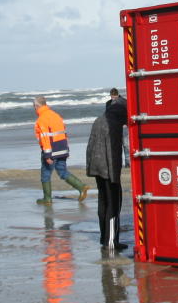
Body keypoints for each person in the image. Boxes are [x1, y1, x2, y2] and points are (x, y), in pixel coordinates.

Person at [86, 102, 128, 251]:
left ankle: (104, 239)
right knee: (113, 204)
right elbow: (113, 151)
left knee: (103, 202)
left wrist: (90, 167)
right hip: (108, 168)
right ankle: (111, 242)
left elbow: (90, 146)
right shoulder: (113, 124)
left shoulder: (99, 119)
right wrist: (115, 174)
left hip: (96, 167)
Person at [33, 96, 89, 205]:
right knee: (62, 172)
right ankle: (81, 187)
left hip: (51, 151)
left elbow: (45, 138)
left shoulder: (41, 119)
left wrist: (47, 155)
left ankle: (47, 199)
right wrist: (66, 149)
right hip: (62, 149)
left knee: (45, 174)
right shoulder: (56, 116)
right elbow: (64, 133)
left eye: (34, 106)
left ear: (37, 106)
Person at [106, 87, 130, 167]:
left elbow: (128, 113)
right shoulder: (108, 103)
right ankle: (118, 164)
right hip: (113, 128)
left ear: (117, 95)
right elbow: (107, 116)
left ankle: (128, 163)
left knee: (126, 145)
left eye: (114, 97)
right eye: (112, 97)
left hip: (123, 127)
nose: (113, 99)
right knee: (116, 146)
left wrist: (125, 124)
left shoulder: (124, 102)